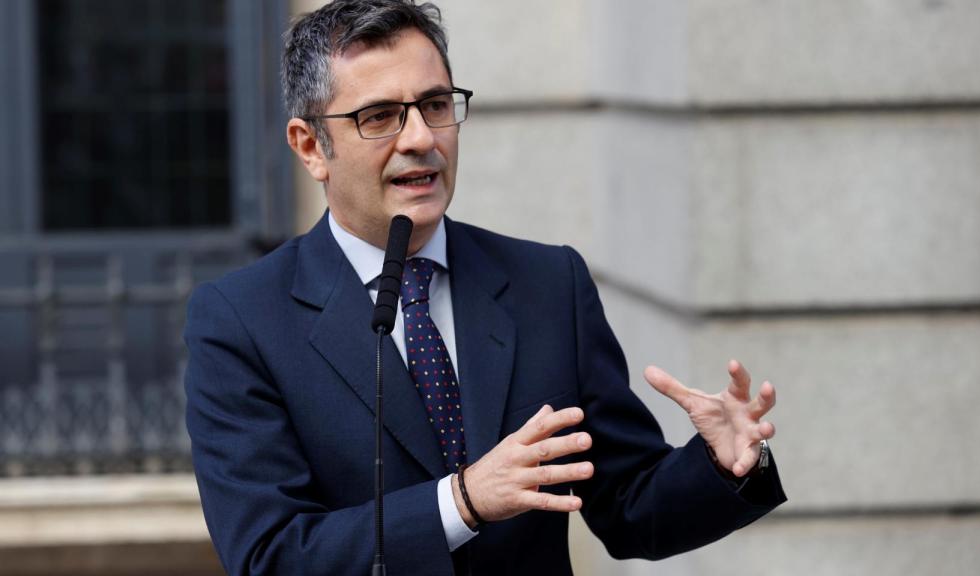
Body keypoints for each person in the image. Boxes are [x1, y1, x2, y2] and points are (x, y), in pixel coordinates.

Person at [184, 1, 786, 574]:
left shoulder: (549, 284)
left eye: (436, 105)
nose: (421, 137)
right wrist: (461, 503)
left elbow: (630, 509)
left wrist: (719, 464)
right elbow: (272, 556)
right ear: (311, 146)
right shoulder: (240, 320)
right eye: (380, 117)